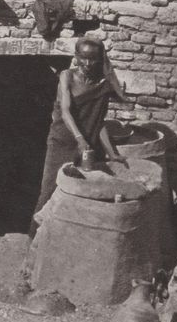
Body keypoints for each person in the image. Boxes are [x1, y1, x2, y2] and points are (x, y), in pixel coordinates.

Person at [33, 38, 129, 220]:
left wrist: (111, 152)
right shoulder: (67, 76)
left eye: (93, 59)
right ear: (76, 57)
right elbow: (65, 111)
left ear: (100, 60)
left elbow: (99, 122)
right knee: (50, 189)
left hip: (88, 147)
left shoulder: (102, 84)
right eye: (83, 57)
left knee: (80, 192)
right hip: (62, 141)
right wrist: (79, 139)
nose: (87, 63)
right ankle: (36, 235)